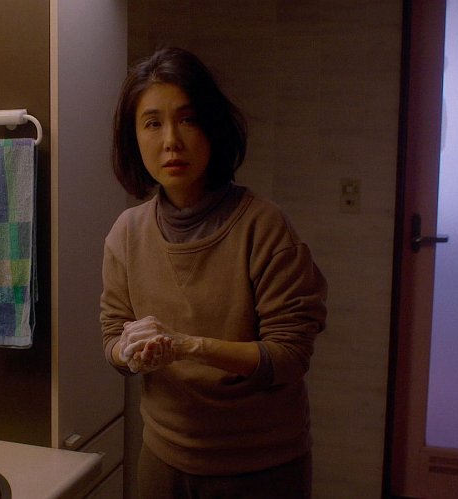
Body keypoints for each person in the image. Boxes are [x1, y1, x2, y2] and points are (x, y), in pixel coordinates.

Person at [100, 47, 328, 499]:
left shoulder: (263, 226)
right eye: (152, 123)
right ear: (133, 138)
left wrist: (188, 346)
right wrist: (130, 351)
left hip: (261, 464)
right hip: (163, 456)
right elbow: (112, 336)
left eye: (187, 119)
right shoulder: (127, 233)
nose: (171, 141)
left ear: (213, 127)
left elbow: (289, 356)